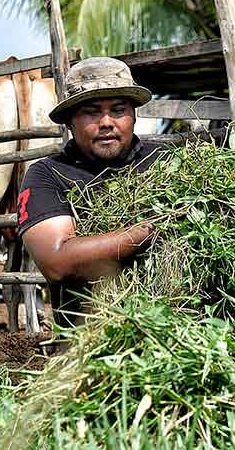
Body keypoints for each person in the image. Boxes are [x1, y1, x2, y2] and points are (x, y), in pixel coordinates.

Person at [17, 57, 163, 326]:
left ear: (133, 116)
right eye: (92, 112)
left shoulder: (166, 163)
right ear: (70, 122)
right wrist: (147, 232)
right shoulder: (48, 175)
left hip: (179, 334)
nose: (106, 122)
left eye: (118, 110)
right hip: (90, 342)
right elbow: (56, 261)